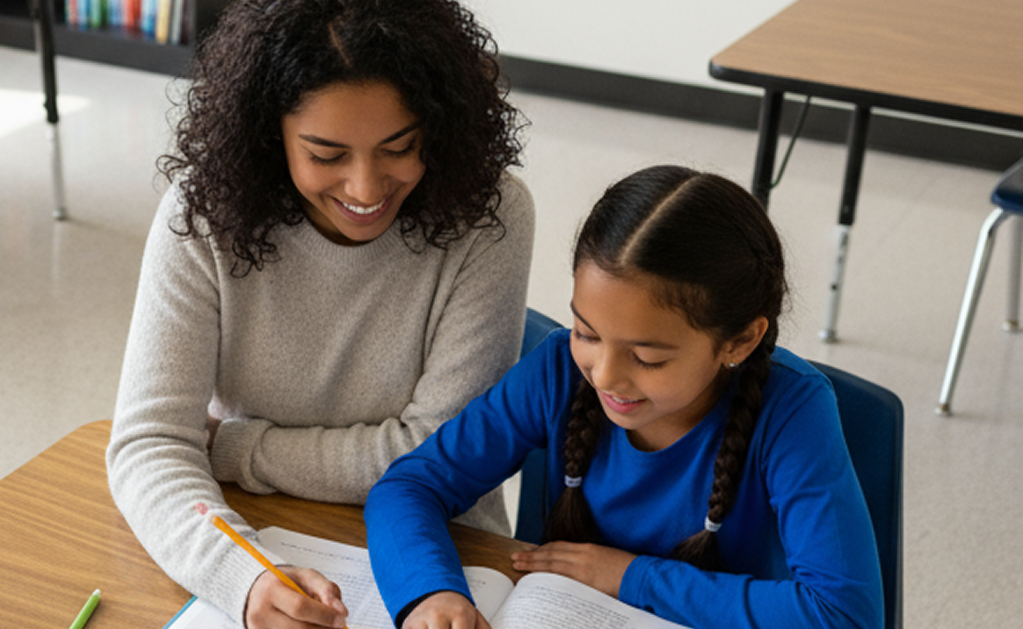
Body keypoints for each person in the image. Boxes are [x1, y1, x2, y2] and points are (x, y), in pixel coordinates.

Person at [107, 0, 535, 629]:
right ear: (267, 136)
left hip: (441, 557)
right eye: (326, 155)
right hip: (253, 524)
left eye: (399, 147)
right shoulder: (204, 215)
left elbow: (433, 460)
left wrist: (233, 448)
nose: (366, 190)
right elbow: (149, 445)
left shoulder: (489, 215)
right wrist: (244, 579)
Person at [365, 166, 884, 629]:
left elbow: (842, 614)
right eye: (587, 333)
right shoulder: (557, 369)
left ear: (740, 341)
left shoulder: (792, 409)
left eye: (649, 358)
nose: (605, 376)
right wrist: (429, 592)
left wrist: (633, 577)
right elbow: (409, 486)